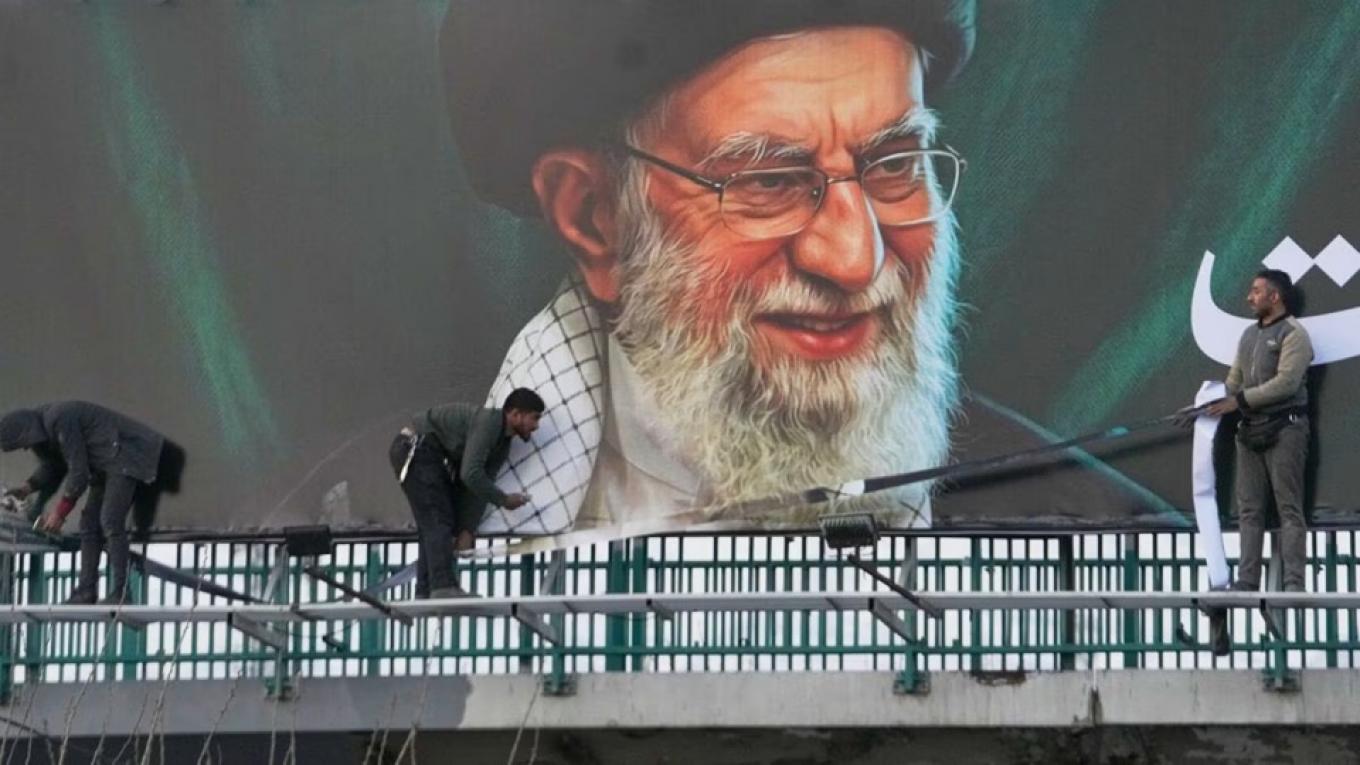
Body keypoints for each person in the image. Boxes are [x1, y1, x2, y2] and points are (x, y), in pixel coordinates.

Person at [439, 0, 1172, 537]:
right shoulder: (410, 518)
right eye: (769, 181)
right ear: (594, 218)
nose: (856, 257)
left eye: (894, 164)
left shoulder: (1110, 547)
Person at [1206, 270, 1313, 592]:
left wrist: (1238, 401)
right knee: (1249, 510)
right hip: (1249, 431)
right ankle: (1247, 580)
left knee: (1288, 508)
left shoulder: (1294, 334)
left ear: (1274, 296)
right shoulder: (1248, 335)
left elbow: (1286, 384)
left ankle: (1294, 583)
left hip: (1286, 429)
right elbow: (1234, 380)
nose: (1249, 298)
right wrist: (1206, 406)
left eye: (1255, 291)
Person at [0, 401, 166, 605]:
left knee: (110, 520)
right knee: (88, 525)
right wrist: (27, 488)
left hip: (125, 456)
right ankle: (86, 591)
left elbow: (78, 472)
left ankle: (122, 594)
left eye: (24, 443)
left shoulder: (59, 419)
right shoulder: (45, 426)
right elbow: (54, 465)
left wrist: (60, 513)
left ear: (28, 431)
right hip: (105, 464)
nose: (26, 448)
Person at [389, 388, 544, 598]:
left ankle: (427, 589)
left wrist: (466, 529)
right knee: (438, 520)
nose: (536, 426)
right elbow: (471, 474)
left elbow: (479, 485)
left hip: (429, 456)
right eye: (534, 418)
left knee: (434, 524)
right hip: (418, 450)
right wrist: (504, 500)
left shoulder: (502, 443)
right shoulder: (489, 424)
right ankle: (442, 586)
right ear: (515, 414)